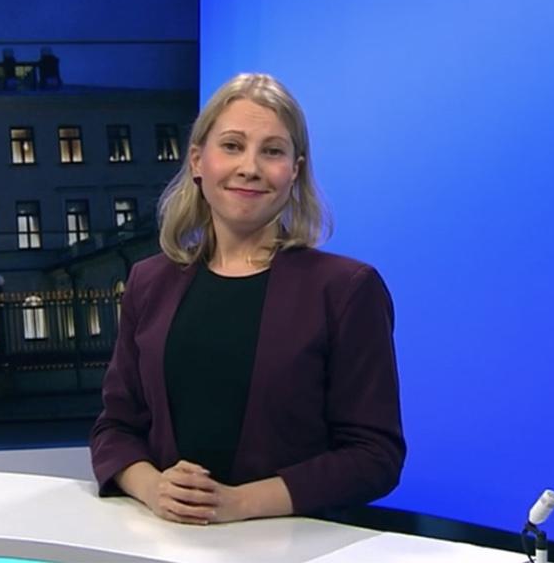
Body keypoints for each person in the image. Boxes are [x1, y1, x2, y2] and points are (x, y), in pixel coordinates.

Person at [90, 73, 404, 525]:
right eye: (232, 146)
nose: (250, 167)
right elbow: (115, 429)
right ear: (198, 161)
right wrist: (155, 489)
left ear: (294, 172)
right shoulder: (149, 282)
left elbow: (375, 455)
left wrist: (238, 503)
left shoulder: (347, 289)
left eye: (272, 151)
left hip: (295, 552)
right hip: (169, 548)